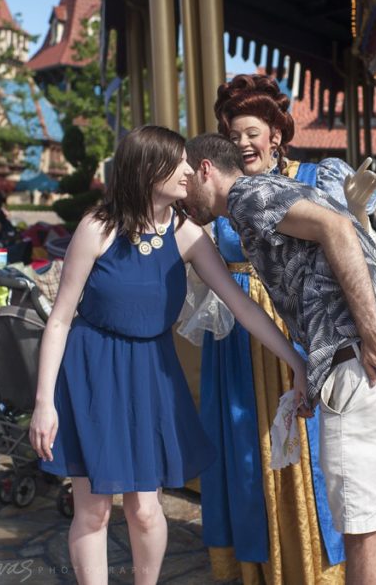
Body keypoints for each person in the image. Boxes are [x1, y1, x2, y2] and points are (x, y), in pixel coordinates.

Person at [30, 126, 310, 585]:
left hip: (151, 374)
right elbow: (59, 319)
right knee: (95, 510)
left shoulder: (187, 234)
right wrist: (44, 403)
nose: (188, 171)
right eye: (178, 162)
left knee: (144, 509)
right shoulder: (97, 228)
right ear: (146, 169)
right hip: (91, 370)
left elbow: (241, 307)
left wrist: (296, 359)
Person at [183, 133, 376, 585]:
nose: (183, 195)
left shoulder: (247, 195)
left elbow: (335, 231)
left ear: (204, 169)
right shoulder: (276, 191)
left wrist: (369, 332)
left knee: (360, 529)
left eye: (185, 181)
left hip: (365, 359)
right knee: (374, 520)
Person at [197, 73, 347, 584]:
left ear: (276, 133)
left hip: (299, 321)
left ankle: (312, 567)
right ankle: (256, 563)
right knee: (243, 447)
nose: (242, 143)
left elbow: (349, 243)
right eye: (233, 134)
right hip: (237, 335)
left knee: (306, 447)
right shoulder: (223, 188)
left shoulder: (314, 176)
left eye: (251, 132)